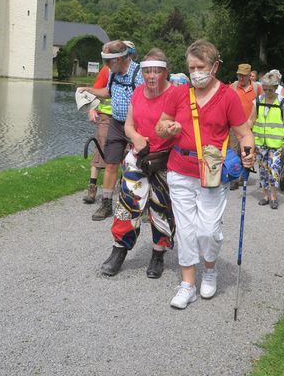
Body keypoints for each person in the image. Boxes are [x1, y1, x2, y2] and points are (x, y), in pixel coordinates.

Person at [156, 40, 255, 309]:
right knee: (186, 231)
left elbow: (244, 132)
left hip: (211, 172)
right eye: (191, 67)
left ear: (214, 67)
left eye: (200, 66)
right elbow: (160, 125)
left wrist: (248, 150)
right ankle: (187, 284)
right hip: (179, 169)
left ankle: (209, 269)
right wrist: (168, 130)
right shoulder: (178, 94)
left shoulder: (227, 96)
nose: (195, 72)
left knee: (208, 231)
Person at [100, 49, 176, 278]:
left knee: (161, 207)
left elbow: (179, 127)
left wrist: (169, 132)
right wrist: (135, 138)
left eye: (157, 71)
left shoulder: (176, 94)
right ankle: (119, 249)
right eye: (147, 71)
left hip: (164, 159)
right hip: (139, 155)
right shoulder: (138, 92)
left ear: (165, 72)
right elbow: (129, 125)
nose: (151, 76)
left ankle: (158, 253)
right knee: (127, 204)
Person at [78, 40, 144, 221]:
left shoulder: (138, 73)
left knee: (139, 165)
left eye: (110, 61)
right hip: (116, 123)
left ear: (122, 58)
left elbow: (147, 99)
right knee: (111, 163)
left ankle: (142, 203)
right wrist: (89, 90)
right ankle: (106, 203)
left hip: (136, 125)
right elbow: (108, 92)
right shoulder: (112, 73)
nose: (106, 65)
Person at [248, 70, 284, 210]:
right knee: (263, 170)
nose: (267, 92)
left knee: (273, 170)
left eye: (270, 90)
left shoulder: (282, 102)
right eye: (265, 89)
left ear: (276, 88)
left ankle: (273, 197)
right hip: (260, 142)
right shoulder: (258, 101)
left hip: (277, 143)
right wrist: (245, 136)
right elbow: (251, 120)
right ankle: (265, 196)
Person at [229, 63, 263, 190]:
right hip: (234, 126)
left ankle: (244, 174)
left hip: (251, 125)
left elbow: (263, 103)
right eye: (239, 75)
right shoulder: (232, 87)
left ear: (250, 76)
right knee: (233, 151)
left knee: (247, 151)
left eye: (243, 76)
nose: (240, 78)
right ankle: (234, 177)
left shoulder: (257, 88)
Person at [82, 64, 112, 204]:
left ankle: (124, 185)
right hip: (106, 116)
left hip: (126, 118)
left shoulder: (135, 71)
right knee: (101, 148)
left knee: (126, 152)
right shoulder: (107, 70)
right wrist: (91, 110)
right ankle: (92, 188)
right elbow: (94, 91)